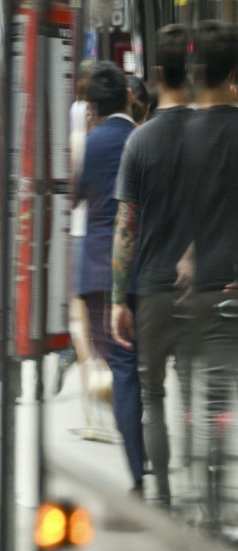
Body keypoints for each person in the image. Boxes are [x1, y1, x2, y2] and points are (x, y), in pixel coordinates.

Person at [110, 25, 194, 508]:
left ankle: (160, 494)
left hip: (154, 290)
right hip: (207, 285)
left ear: (156, 73)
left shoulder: (139, 143)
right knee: (204, 395)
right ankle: (208, 486)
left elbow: (127, 227)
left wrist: (119, 299)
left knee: (154, 398)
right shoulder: (216, 132)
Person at [175, 21, 238, 527]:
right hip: (230, 287)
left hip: (189, 288)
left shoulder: (182, 133)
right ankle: (216, 499)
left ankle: (205, 499)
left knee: (200, 395)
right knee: (221, 394)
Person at [75, 61, 144, 495]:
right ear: (129, 98)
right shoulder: (141, 138)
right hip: (145, 268)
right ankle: (147, 451)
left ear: (93, 107)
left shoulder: (90, 144)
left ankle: (139, 465)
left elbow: (75, 196)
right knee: (138, 368)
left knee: (121, 368)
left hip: (99, 269)